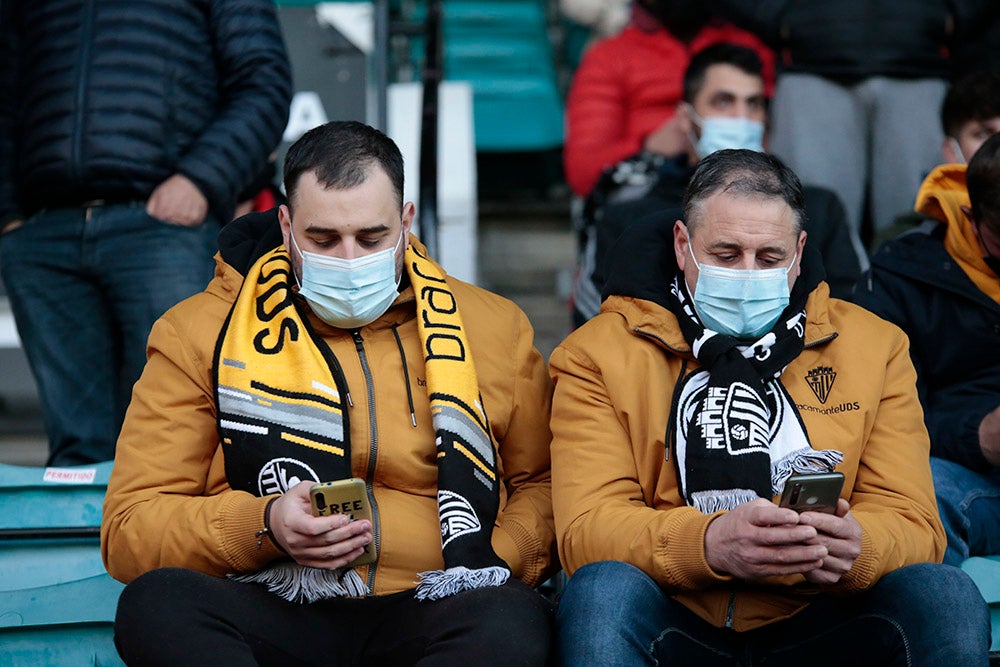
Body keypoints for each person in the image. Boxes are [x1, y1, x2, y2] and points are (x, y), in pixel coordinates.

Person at [101, 121, 557, 665]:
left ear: (406, 221)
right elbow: (131, 525)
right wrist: (264, 525)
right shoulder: (199, 331)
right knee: (157, 605)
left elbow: (545, 487)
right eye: (322, 240)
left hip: (434, 603)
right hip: (272, 599)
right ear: (287, 225)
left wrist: (485, 562)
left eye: (371, 238)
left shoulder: (493, 326)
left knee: (509, 619)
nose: (347, 260)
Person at [550, 149, 988, 665]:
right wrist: (709, 543)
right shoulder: (596, 353)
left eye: (770, 258)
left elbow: (914, 521)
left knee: (944, 595)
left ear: (800, 253)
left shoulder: (876, 345)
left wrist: (858, 548)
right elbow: (586, 529)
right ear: (682, 245)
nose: (747, 275)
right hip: (674, 613)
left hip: (822, 611)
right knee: (601, 592)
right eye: (726, 254)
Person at [0, 0, 292, 466]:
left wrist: (200, 179)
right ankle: (85, 540)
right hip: (43, 232)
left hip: (162, 230)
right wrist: (8, 214)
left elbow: (263, 83)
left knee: (176, 436)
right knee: (77, 453)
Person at [569, 42, 865, 324]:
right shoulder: (627, 218)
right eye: (723, 102)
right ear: (686, 118)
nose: (741, 117)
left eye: (754, 104)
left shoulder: (819, 210)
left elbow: (853, 312)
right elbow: (598, 321)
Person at [711, 1, 994, 246]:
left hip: (917, 64)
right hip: (814, 64)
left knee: (921, 223)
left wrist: (948, 12)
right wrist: (784, 15)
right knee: (808, 224)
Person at [851, 132, 1000, 568]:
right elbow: (880, 427)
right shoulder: (901, 279)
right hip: (964, 473)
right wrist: (980, 437)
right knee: (923, 498)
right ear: (971, 218)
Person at [562, 0, 774, 199]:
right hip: (648, 199)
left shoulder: (749, 47)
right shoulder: (609, 57)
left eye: (752, 104)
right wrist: (647, 146)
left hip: (744, 192)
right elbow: (583, 174)